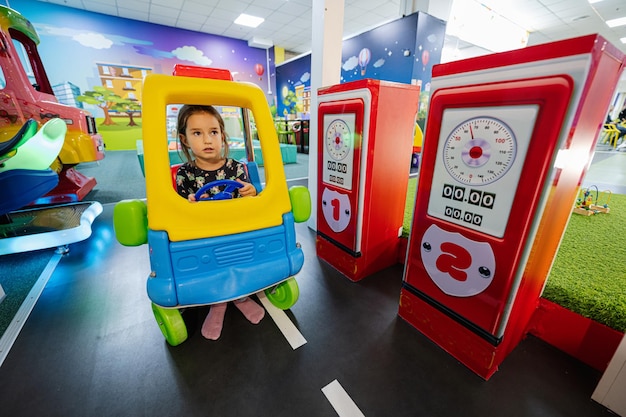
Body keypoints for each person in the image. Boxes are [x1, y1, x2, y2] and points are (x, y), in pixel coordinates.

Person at [175, 104, 265, 340]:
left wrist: (251, 191)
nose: (207, 139)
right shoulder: (185, 174)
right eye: (197, 133)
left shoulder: (236, 168)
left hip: (234, 231)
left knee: (238, 262)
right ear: (184, 140)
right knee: (212, 266)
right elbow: (179, 208)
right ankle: (218, 303)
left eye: (213, 132)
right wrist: (190, 202)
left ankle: (241, 296)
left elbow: (250, 195)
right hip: (203, 235)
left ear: (222, 136)